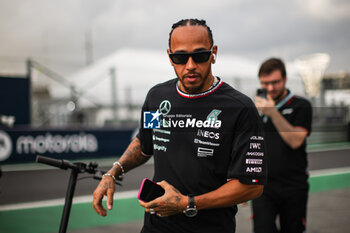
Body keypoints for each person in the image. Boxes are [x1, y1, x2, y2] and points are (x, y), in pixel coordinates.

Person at [93, 18, 267, 233]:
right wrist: (113, 172)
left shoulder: (240, 108)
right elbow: (145, 141)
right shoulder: (157, 97)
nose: (191, 65)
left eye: (200, 55)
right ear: (170, 57)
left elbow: (252, 186)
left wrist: (187, 203)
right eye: (181, 57)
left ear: (214, 53)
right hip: (156, 227)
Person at [252, 58, 312, 233]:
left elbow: (295, 141)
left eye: (275, 82)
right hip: (263, 188)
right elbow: (250, 147)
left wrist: (272, 113)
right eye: (265, 83)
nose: (270, 88)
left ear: (285, 79)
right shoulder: (255, 109)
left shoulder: (301, 105)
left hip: (293, 186)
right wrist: (244, 180)